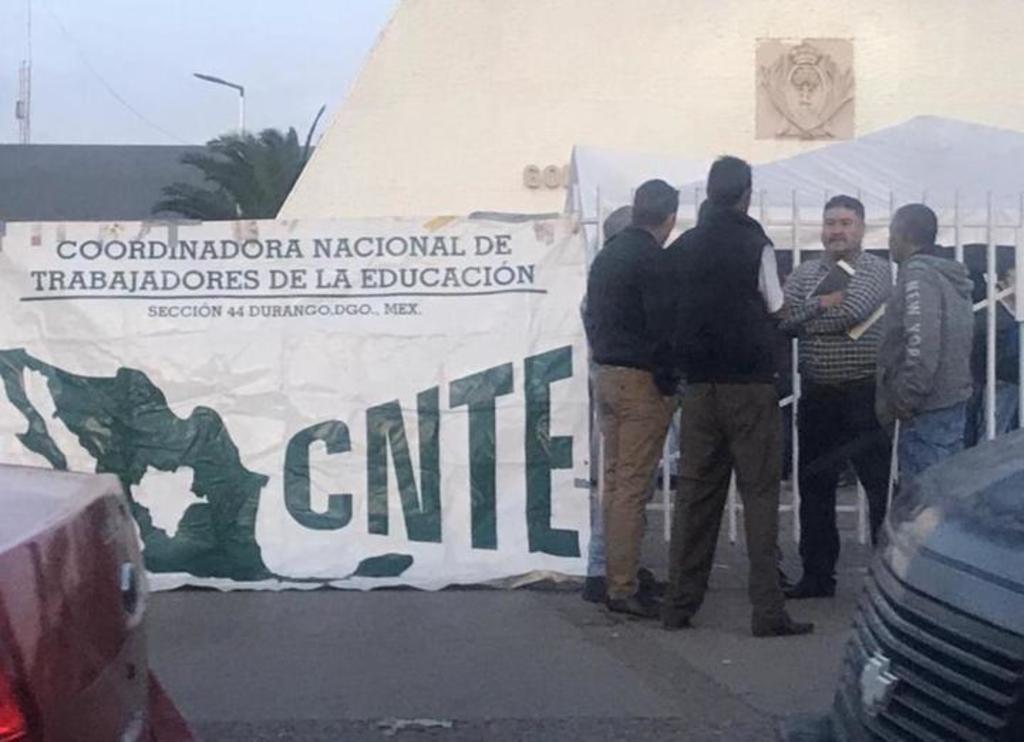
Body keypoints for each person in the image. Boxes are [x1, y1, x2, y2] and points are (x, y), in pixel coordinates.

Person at [661, 156, 813, 637]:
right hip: (749, 384)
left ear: (708, 193)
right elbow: (777, 307)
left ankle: (678, 604)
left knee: (695, 497)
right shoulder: (754, 243)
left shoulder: (684, 246)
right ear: (746, 194)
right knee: (760, 496)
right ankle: (767, 610)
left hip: (699, 386)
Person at [779, 195, 893, 599]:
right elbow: (782, 319)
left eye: (845, 223)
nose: (836, 231)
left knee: (879, 488)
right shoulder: (805, 272)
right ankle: (817, 575)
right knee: (814, 487)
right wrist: (823, 303)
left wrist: (807, 315)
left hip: (863, 394)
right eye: (830, 223)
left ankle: (886, 578)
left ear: (861, 228)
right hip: (817, 396)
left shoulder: (876, 269)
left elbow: (854, 311)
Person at [583, 180, 679, 618]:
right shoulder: (652, 259)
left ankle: (613, 572)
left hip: (607, 374)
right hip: (641, 380)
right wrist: (670, 379)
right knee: (633, 487)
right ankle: (622, 585)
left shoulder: (607, 257)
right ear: (670, 218)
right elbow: (663, 327)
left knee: (616, 482)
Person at [877, 204, 974, 483]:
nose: (889, 242)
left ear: (902, 235)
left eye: (892, 234)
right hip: (948, 400)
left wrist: (906, 397)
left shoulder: (918, 275)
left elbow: (922, 341)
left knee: (925, 496)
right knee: (944, 491)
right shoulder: (946, 274)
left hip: (927, 407)